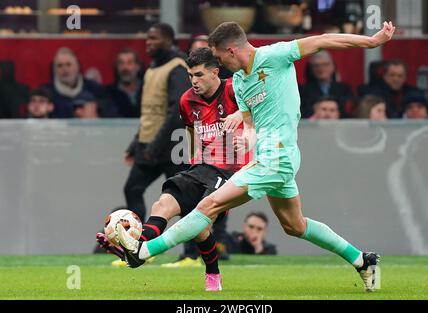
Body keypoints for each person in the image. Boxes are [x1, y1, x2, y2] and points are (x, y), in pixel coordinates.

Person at [116, 21, 396, 292]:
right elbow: (251, 121)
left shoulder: (276, 55)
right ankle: (362, 260)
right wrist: (244, 135)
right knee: (295, 226)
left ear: (231, 51)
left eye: (219, 58)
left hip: (278, 157)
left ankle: (144, 250)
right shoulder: (239, 81)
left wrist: (371, 42)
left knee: (207, 206)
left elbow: (322, 40)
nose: (220, 65)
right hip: (265, 157)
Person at [97, 47, 246, 291]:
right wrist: (194, 159)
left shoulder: (234, 90)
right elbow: (191, 132)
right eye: (190, 76)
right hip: (201, 167)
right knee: (162, 206)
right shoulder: (187, 100)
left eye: (198, 75)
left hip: (231, 170)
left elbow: (261, 112)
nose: (194, 81)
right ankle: (136, 246)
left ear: (215, 72)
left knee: (201, 224)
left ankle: (207, 272)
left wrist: (240, 117)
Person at [123, 23, 191, 223]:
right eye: (147, 38)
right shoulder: (151, 69)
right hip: (149, 146)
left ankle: (192, 252)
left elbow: (177, 112)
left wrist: (155, 146)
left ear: (169, 40)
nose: (149, 42)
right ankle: (136, 247)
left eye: (154, 38)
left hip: (171, 147)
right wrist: (135, 144)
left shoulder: (178, 67)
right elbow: (148, 115)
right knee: (132, 189)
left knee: (184, 198)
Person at [45, 47, 112, 118]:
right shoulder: (47, 92)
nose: (64, 69)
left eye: (68, 64)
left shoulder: (94, 88)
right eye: (60, 65)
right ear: (54, 70)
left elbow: (109, 114)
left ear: (77, 67)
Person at [358, 59, 423, 118]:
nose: (396, 79)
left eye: (400, 76)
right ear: (385, 76)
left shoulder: (413, 92)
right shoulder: (373, 92)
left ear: (405, 77)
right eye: (392, 75)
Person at [299, 50, 353, 118]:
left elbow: (348, 113)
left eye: (325, 64)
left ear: (333, 66)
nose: (321, 68)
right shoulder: (302, 90)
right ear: (310, 69)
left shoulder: (345, 89)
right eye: (316, 65)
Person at [105, 48, 143, 118]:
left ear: (138, 66)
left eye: (129, 63)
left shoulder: (147, 91)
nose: (125, 68)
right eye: (121, 63)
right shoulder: (108, 94)